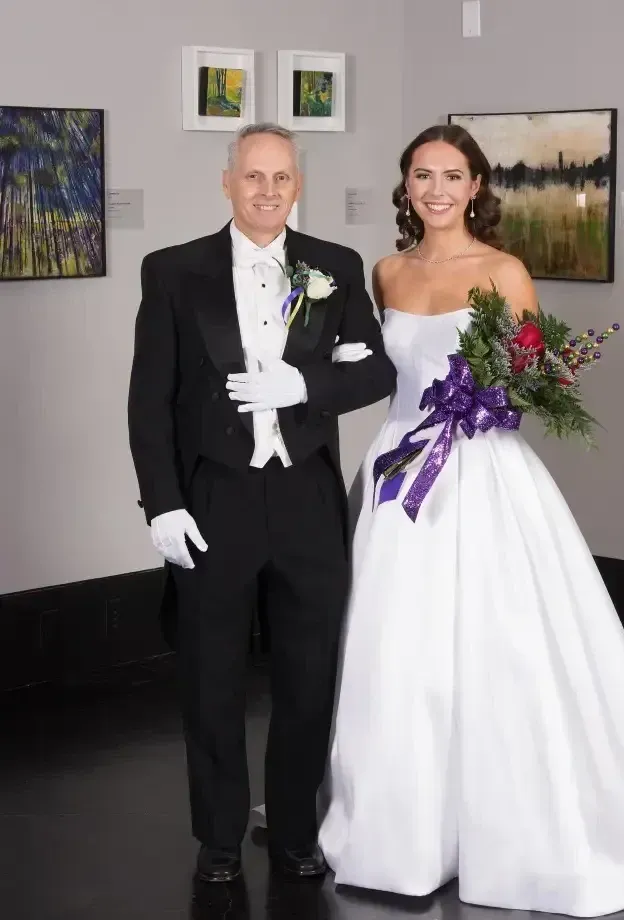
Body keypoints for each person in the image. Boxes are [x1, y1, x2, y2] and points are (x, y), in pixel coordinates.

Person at [318, 124, 624, 916]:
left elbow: (534, 383)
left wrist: (486, 399)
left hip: (480, 472)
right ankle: (402, 824)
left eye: (452, 176)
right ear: (407, 186)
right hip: (400, 474)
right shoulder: (386, 272)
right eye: (423, 175)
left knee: (499, 641)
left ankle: (515, 820)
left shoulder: (504, 270)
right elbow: (377, 370)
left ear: (476, 188)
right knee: (395, 646)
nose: (436, 189)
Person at [127, 123, 395, 883]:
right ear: (227, 182)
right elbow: (150, 402)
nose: (268, 191)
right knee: (210, 676)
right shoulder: (174, 271)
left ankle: (294, 832)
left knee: (310, 674)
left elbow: (375, 373)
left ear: (297, 184)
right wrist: (163, 504)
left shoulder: (335, 267)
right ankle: (217, 838)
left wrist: (308, 385)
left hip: (307, 493)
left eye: (281, 177)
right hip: (214, 495)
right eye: (253, 177)